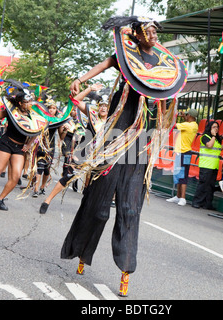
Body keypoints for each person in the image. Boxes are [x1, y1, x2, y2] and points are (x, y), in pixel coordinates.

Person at [61, 16, 183, 297]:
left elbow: (172, 84)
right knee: (100, 206)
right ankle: (81, 250)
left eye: (155, 31)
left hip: (141, 137)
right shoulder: (125, 54)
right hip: (117, 131)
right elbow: (104, 65)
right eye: (148, 31)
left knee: (129, 208)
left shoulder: (164, 61)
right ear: (137, 34)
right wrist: (80, 79)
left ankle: (126, 268)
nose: (153, 35)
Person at [39, 83, 107, 214]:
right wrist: (90, 89)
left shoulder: (112, 120)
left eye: (106, 105)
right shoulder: (92, 114)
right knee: (68, 176)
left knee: (95, 184)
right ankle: (47, 200)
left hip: (100, 156)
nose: (103, 108)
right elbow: (76, 100)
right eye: (101, 105)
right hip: (83, 151)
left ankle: (86, 209)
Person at [192, 120, 223, 210]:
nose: (216, 129)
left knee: (210, 186)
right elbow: (209, 145)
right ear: (209, 128)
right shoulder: (205, 137)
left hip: (214, 165)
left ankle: (207, 204)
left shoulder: (215, 139)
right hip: (206, 165)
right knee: (203, 184)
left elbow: (218, 148)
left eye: (217, 127)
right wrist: (213, 136)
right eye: (214, 127)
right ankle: (196, 202)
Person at [166, 109, 198, 206]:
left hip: (184, 152)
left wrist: (174, 116)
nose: (186, 116)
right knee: (179, 175)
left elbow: (174, 125)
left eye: (187, 115)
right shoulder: (193, 125)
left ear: (190, 116)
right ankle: (178, 196)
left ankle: (183, 198)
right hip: (182, 152)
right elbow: (186, 123)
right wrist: (184, 117)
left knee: (183, 176)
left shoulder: (188, 125)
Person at [32, 99, 62, 197]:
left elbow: (62, 136)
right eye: (49, 108)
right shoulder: (41, 118)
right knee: (39, 167)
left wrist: (64, 129)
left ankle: (42, 187)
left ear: (56, 110)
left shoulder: (57, 121)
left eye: (53, 108)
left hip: (51, 147)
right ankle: (36, 189)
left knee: (46, 169)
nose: (51, 110)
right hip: (40, 145)